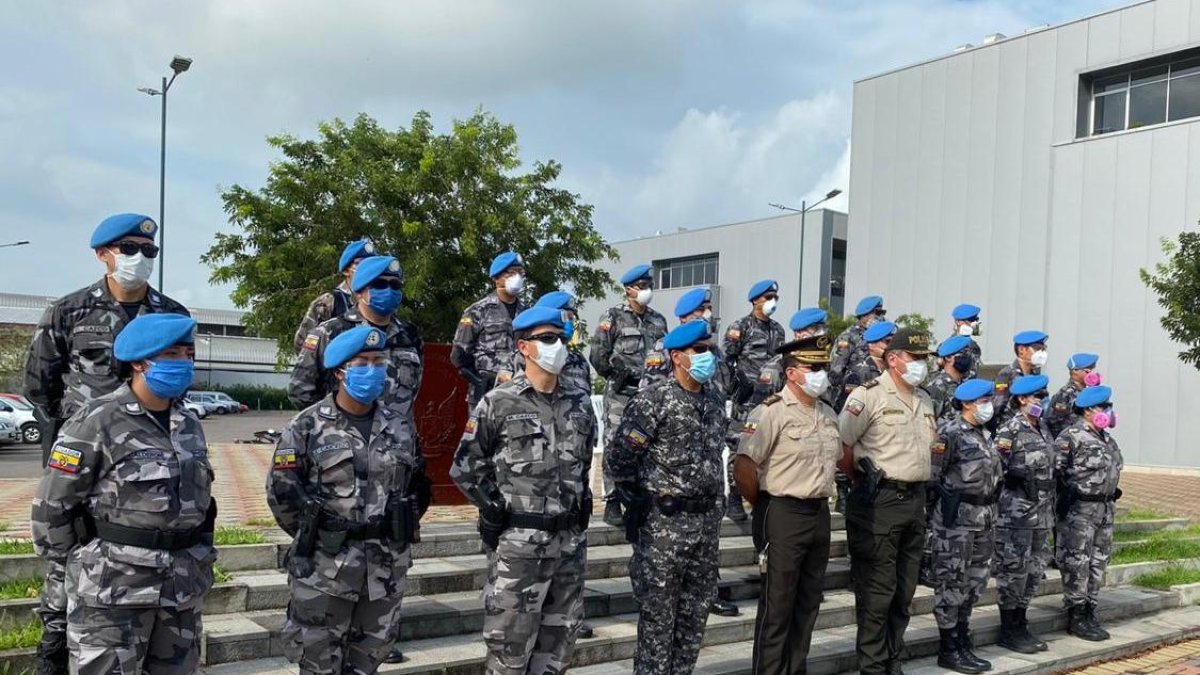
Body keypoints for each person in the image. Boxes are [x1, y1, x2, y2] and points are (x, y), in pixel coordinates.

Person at [23, 212, 189, 675]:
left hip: (145, 464)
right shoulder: (70, 311)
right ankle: (55, 651)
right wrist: (70, 445)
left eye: (149, 251)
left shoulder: (171, 315)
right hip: (85, 458)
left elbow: (177, 389)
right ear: (103, 254)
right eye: (129, 249)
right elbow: (41, 385)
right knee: (69, 561)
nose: (140, 259)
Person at [31, 313, 215, 675]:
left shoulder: (188, 424)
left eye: (187, 353)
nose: (183, 363)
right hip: (112, 593)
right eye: (171, 355)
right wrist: (74, 577)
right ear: (138, 361)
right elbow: (52, 510)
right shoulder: (96, 420)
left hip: (181, 591)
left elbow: (200, 505)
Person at [268, 326, 430, 674]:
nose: (373, 370)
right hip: (325, 570)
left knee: (367, 664)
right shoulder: (306, 426)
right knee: (320, 665)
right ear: (341, 370)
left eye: (378, 361)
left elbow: (415, 486)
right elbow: (281, 494)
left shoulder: (401, 427)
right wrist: (321, 534)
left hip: (384, 571)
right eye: (363, 362)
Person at [450, 306, 596, 674]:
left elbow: (583, 464)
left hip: (569, 547)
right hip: (520, 549)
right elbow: (464, 465)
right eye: (547, 339)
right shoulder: (498, 402)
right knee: (509, 654)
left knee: (557, 653)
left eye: (561, 338)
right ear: (524, 347)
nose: (557, 346)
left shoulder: (579, 403)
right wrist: (492, 506)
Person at [609, 320, 727, 675]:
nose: (709, 356)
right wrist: (640, 499)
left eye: (710, 349)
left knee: (693, 623)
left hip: (704, 528)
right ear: (677, 356)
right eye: (700, 350)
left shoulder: (714, 400)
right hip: (664, 528)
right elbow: (620, 458)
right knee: (659, 624)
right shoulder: (654, 400)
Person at [733, 335, 840, 675]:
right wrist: (764, 506)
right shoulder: (770, 412)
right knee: (777, 606)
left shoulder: (827, 413)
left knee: (808, 604)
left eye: (824, 367)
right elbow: (745, 466)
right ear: (792, 373)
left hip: (818, 513)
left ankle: (795, 670)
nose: (822, 374)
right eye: (814, 368)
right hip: (782, 512)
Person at [837, 328, 936, 675]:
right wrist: (862, 481)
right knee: (877, 593)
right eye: (915, 357)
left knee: (904, 592)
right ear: (893, 359)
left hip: (914, 500)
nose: (921, 364)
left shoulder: (925, 399)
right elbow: (842, 447)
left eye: (925, 358)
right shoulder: (868, 396)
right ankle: (873, 666)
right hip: (878, 502)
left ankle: (893, 658)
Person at [289, 255, 424, 422]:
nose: (389, 291)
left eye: (395, 285)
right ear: (359, 290)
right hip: (342, 441)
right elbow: (301, 390)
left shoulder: (410, 335)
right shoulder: (330, 332)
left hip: (397, 441)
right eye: (380, 284)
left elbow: (414, 389)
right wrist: (328, 427)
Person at [927, 379, 1001, 674]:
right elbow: (934, 477)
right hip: (955, 520)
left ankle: (962, 636)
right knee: (951, 582)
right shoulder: (950, 433)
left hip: (983, 517)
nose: (989, 405)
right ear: (968, 403)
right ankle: (948, 647)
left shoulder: (984, 434)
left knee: (975, 581)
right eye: (984, 400)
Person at [589, 263, 668, 527]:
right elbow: (597, 355)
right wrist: (615, 374)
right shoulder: (612, 317)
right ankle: (612, 501)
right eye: (642, 287)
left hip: (649, 394)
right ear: (628, 290)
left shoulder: (658, 320)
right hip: (621, 394)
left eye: (649, 287)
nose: (647, 291)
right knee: (615, 444)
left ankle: (639, 497)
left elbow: (664, 354)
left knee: (647, 445)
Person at [993, 375, 1055, 654]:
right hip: (1016, 512)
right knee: (1014, 569)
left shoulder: (1043, 428)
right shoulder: (1010, 430)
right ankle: (1008, 626)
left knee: (1034, 568)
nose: (1042, 400)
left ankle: (1021, 618)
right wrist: (1011, 474)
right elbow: (994, 467)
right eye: (1037, 396)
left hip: (1042, 511)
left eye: (1043, 396)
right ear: (1022, 399)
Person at [1055, 385, 1123, 642]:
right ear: (1088, 410)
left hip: (1105, 510)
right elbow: (1057, 473)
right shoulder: (1070, 437)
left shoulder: (1108, 439)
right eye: (1104, 406)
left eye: (1108, 406)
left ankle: (1090, 608)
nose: (1108, 411)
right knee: (1077, 561)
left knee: (1098, 561)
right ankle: (1076, 613)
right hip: (1079, 510)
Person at [723, 279, 787, 522]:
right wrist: (735, 386)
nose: (772, 302)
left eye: (775, 298)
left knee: (768, 446)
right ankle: (735, 496)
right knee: (739, 445)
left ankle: (761, 494)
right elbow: (726, 360)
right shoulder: (741, 327)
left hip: (769, 399)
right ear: (754, 301)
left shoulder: (778, 330)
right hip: (746, 398)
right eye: (768, 297)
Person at [451, 251, 529, 408]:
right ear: (496, 277)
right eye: (512, 273)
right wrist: (479, 380)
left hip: (519, 396)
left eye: (520, 273)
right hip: (485, 396)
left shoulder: (528, 314)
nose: (517, 278)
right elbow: (458, 355)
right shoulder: (477, 311)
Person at [641, 286, 733, 396]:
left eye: (710, 309)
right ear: (683, 317)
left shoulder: (712, 348)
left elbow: (724, 384)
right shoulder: (664, 347)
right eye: (701, 309)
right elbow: (649, 392)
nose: (708, 314)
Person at [496, 290, 592, 395]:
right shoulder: (514, 360)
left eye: (571, 318)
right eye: (564, 318)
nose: (568, 323)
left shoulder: (578, 361)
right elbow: (501, 400)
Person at [292, 238, 375, 354]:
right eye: (361, 263)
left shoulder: (377, 301)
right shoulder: (328, 302)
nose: (367, 269)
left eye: (371, 264)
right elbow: (303, 344)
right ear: (346, 270)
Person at [758, 308, 830, 394]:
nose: (822, 334)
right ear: (798, 334)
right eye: (817, 329)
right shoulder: (778, 365)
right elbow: (763, 403)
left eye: (823, 329)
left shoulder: (823, 363)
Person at [829, 295, 886, 398]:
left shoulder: (882, 335)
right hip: (855, 392)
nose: (880, 317)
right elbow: (836, 369)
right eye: (877, 313)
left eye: (882, 313)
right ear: (864, 315)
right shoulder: (848, 336)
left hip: (879, 390)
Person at [992, 330, 1048, 429]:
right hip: (1010, 429)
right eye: (1038, 349)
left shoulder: (1035, 375)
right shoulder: (1006, 374)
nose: (1042, 353)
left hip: (1031, 428)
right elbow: (997, 406)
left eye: (1044, 349)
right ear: (1022, 350)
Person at [838, 321, 896, 411]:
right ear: (871, 345)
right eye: (888, 342)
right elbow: (850, 410)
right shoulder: (858, 373)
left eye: (895, 342)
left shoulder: (895, 369)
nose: (892, 346)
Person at [1045, 353, 1101, 438]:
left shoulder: (1085, 392)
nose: (1092, 374)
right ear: (1075, 371)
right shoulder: (1066, 394)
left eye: (1092, 370)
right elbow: (1052, 422)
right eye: (1088, 371)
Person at [923, 336, 975, 424]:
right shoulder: (936, 387)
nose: (968, 357)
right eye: (964, 353)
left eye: (969, 353)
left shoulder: (963, 385)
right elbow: (927, 425)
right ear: (948, 358)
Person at [946, 304, 983, 377]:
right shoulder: (948, 347)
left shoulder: (974, 346)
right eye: (971, 319)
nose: (975, 323)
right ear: (958, 322)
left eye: (976, 319)